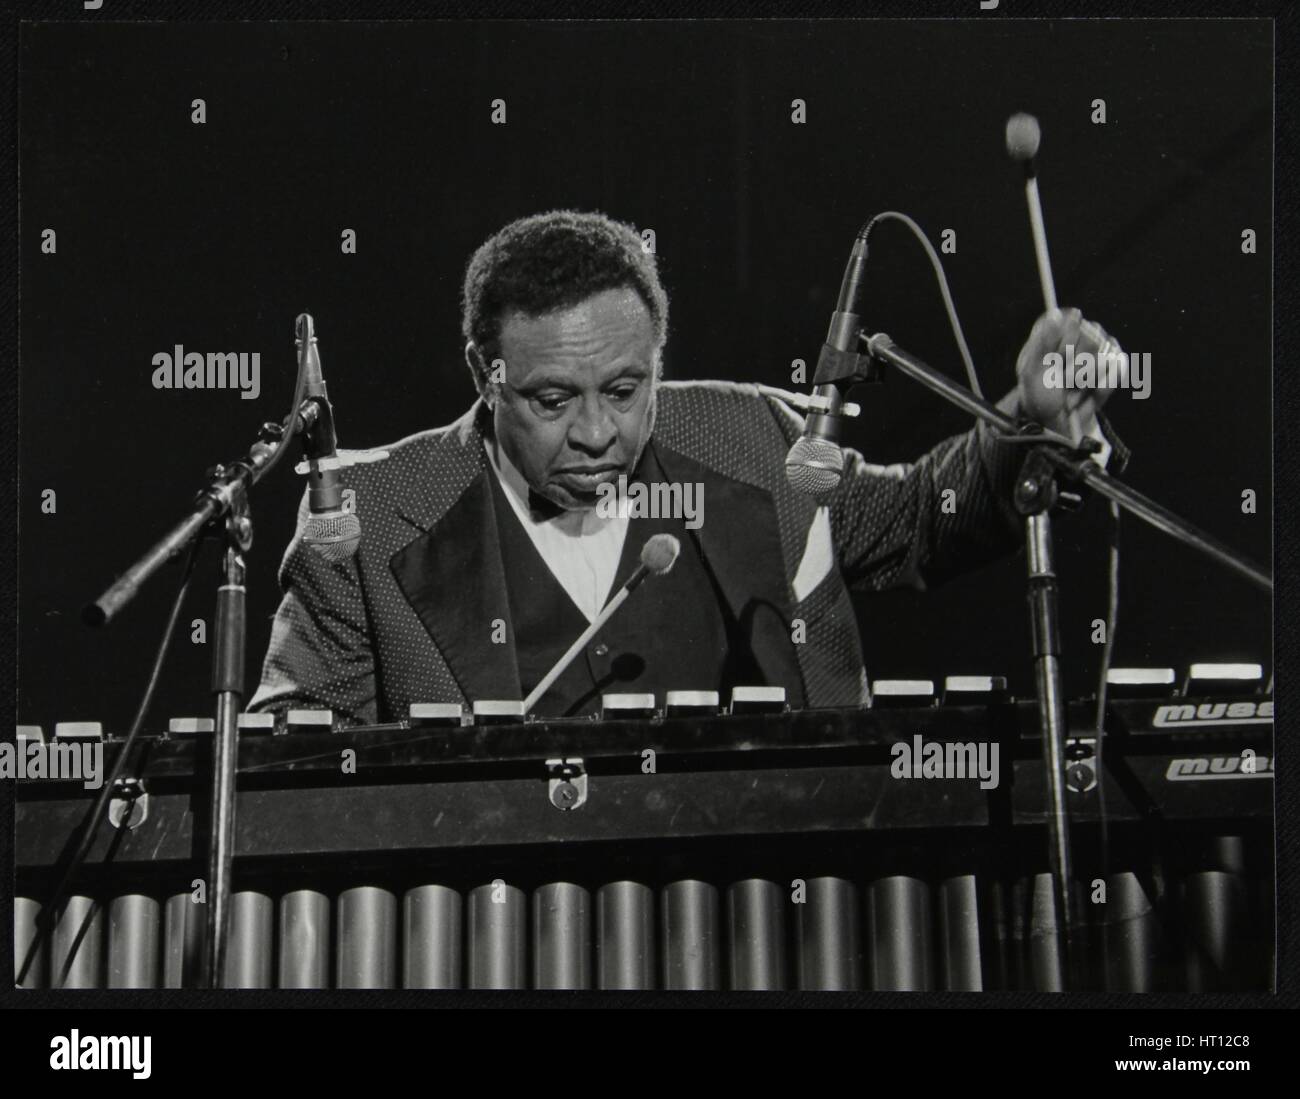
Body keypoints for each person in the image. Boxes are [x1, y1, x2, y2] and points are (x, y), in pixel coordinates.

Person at [249, 209, 1125, 724]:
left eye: (626, 389)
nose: (597, 431)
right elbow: (295, 761)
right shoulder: (365, 515)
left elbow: (922, 520)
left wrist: (1026, 417)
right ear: (488, 376)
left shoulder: (750, 437)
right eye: (554, 401)